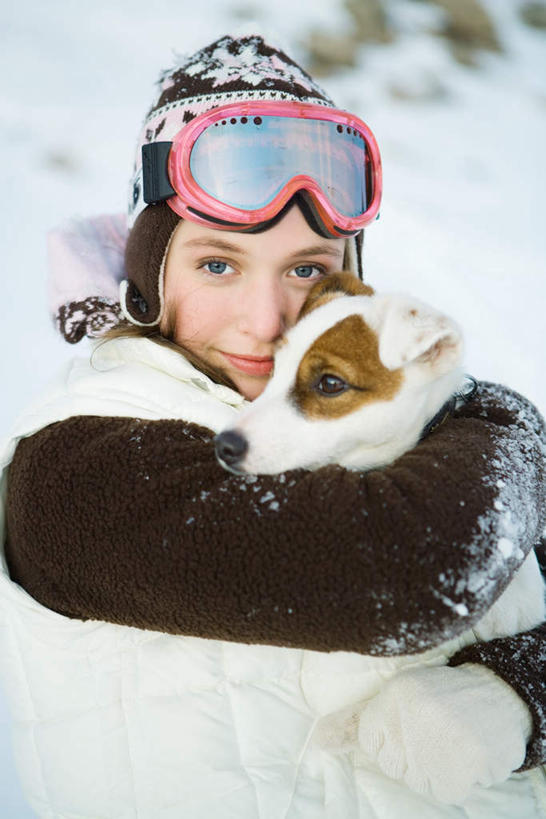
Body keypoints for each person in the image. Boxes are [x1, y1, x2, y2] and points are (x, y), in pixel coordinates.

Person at [1, 33, 545, 819]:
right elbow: (412, 569)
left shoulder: (371, 416)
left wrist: (514, 692)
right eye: (217, 264)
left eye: (306, 269)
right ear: (151, 272)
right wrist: (502, 419)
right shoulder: (79, 465)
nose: (266, 321)